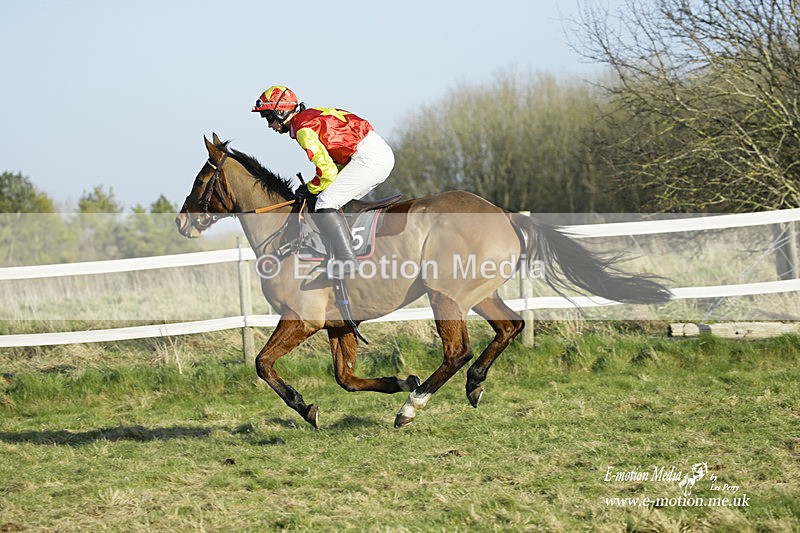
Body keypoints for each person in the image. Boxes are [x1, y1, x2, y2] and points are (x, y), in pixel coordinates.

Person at [252, 85, 395, 278]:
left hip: (368, 158)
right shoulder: (309, 116)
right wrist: (314, 186)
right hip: (374, 152)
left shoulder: (303, 130)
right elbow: (332, 168)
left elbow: (326, 172)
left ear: (280, 111)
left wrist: (309, 188)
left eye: (269, 118)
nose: (270, 125)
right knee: (330, 197)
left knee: (325, 203)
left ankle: (347, 258)